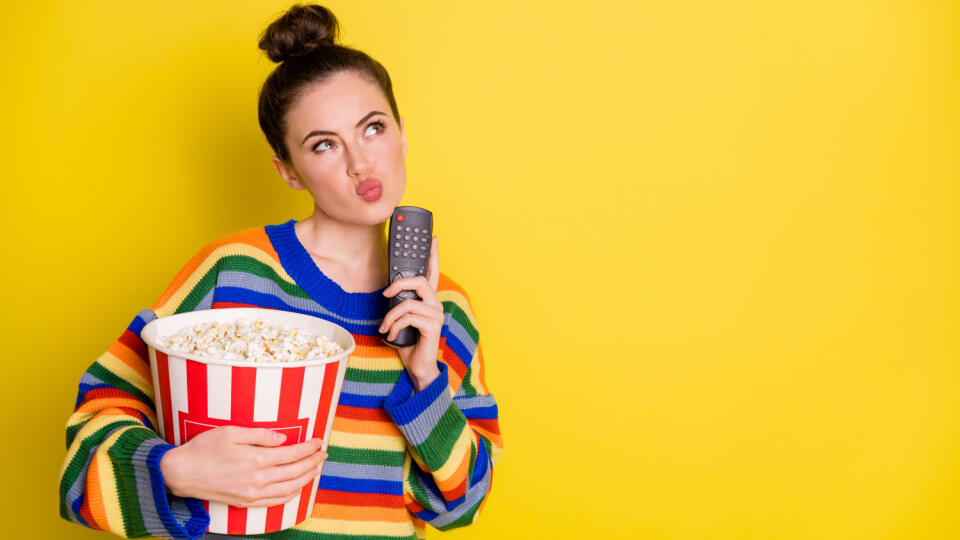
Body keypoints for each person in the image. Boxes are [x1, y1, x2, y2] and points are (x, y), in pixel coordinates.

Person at [57, 4, 502, 539]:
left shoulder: (442, 308)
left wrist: (424, 376)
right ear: (288, 171)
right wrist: (175, 470)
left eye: (373, 129)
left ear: (402, 134)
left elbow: (463, 507)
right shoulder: (233, 271)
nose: (360, 164)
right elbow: (91, 435)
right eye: (324, 145)